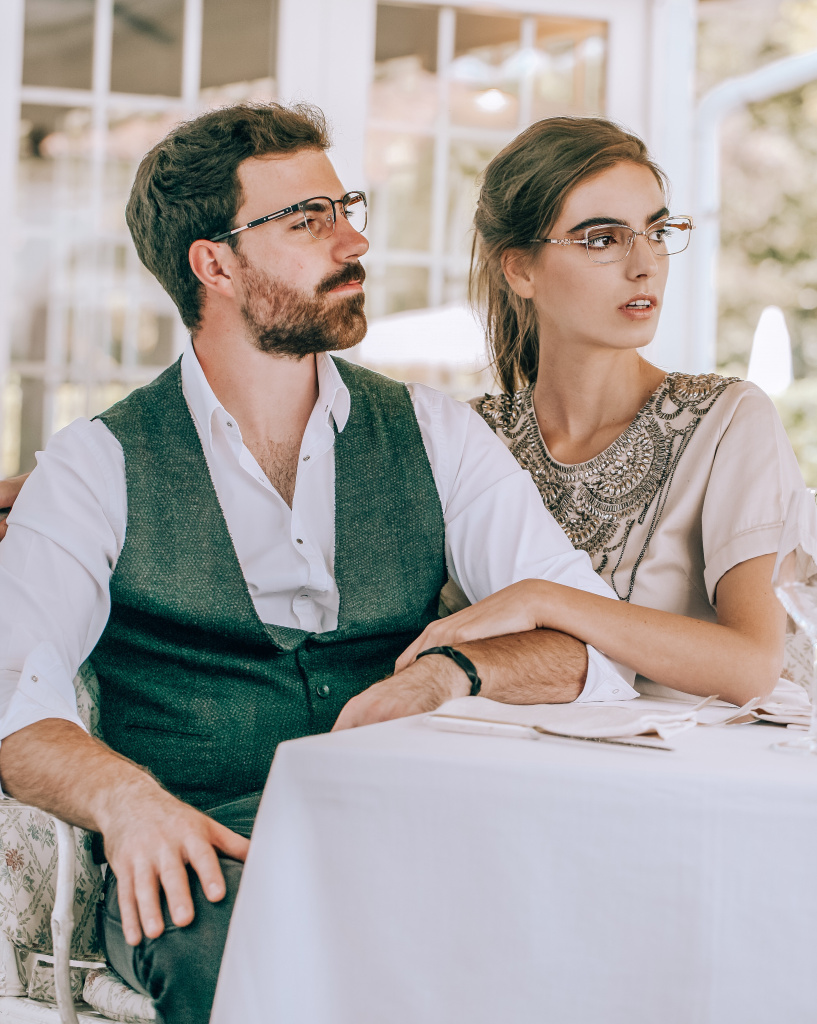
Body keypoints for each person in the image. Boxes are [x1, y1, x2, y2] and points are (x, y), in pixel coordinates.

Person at [0, 104, 634, 1024]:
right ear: (214, 265)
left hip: (417, 828)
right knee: (262, 959)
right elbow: (17, 709)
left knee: (577, 928)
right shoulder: (92, 466)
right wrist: (128, 803)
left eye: (345, 209)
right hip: (205, 856)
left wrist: (451, 675)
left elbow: (590, 644)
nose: (354, 240)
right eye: (307, 221)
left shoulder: (436, 434)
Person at [399, 116, 815, 706]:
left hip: (680, 759)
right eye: (602, 239)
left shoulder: (728, 420)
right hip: (486, 748)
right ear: (520, 269)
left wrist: (544, 599)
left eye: (657, 231)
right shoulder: (468, 437)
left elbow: (752, 665)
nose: (645, 264)